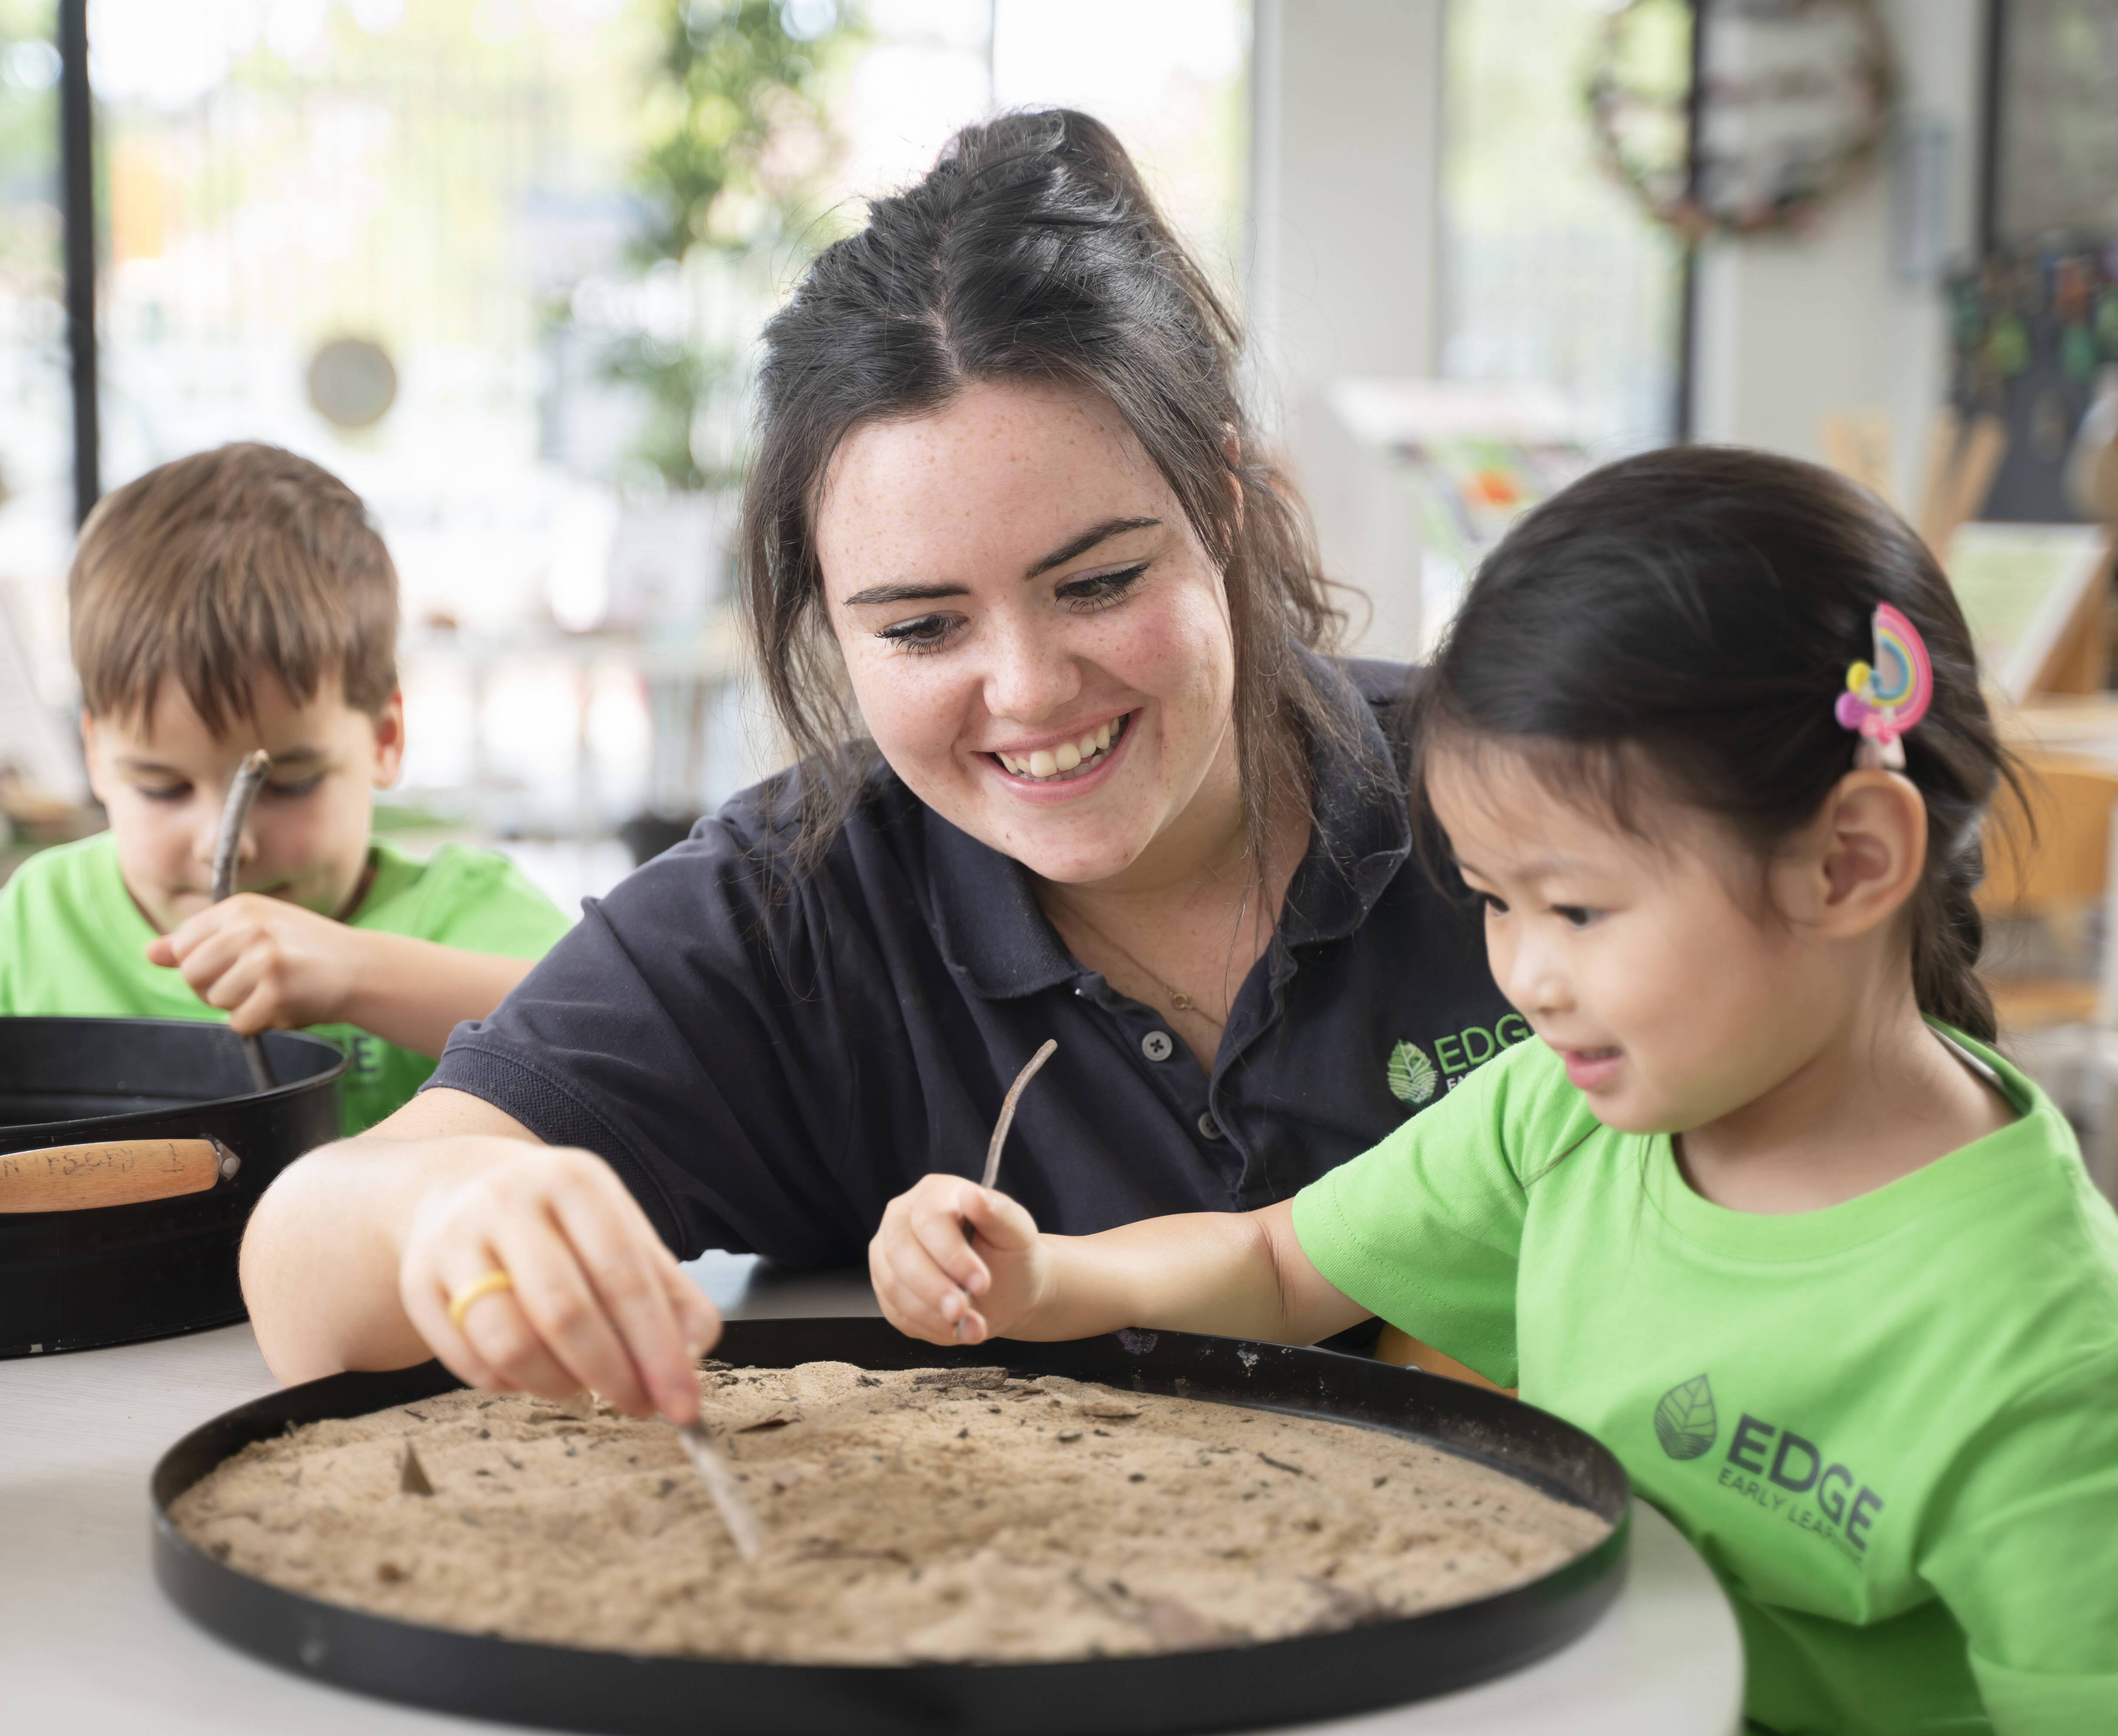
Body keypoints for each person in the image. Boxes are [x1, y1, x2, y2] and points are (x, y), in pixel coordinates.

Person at [240, 111, 1520, 1420]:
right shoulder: (795, 911)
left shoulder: (1521, 793)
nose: (1026, 691)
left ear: (1225, 511)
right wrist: (463, 1211)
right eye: (921, 627)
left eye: (1100, 582)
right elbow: (307, 1269)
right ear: (829, 622)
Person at [870, 447, 2118, 1734]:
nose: (1524, 975)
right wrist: (1045, 1281)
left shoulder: (2045, 1354)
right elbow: (1279, 1264)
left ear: (1850, 862)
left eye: (1577, 908)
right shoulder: (1564, 1115)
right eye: (1494, 904)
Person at [0, 442, 571, 1134]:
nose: (223, 843)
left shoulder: (463, 915)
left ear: (384, 738)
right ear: (96, 755)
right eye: (162, 788)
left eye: (288, 784)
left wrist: (357, 975)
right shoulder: (44, 915)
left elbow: (613, 1042)